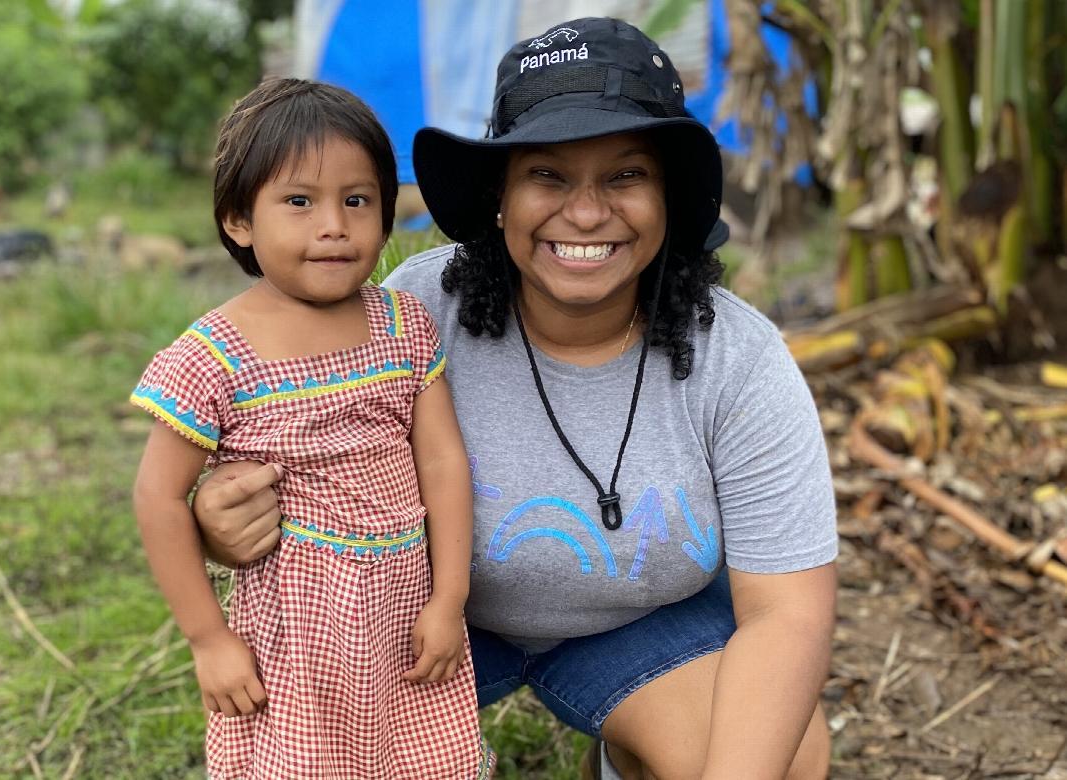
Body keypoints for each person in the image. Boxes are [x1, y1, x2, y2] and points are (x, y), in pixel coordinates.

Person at [194, 19, 837, 780]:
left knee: (785, 758)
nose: (587, 213)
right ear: (500, 194)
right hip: (417, 621)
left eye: (626, 176)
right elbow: (281, 441)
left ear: (668, 195)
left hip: (639, 625)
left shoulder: (738, 356)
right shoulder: (408, 314)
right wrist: (223, 519)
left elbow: (787, 612)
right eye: (548, 176)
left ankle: (628, 748)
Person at [130, 78, 496, 779]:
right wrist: (208, 638)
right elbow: (158, 496)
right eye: (299, 201)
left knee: (415, 757)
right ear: (239, 219)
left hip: (404, 611)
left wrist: (449, 599)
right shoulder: (213, 355)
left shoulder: (403, 325)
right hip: (294, 631)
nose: (334, 225)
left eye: (357, 200)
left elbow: (443, 462)